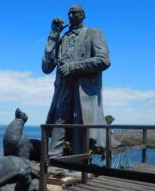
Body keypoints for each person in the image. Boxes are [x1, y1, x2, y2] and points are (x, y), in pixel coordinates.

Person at [42, 4, 120, 157]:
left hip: (84, 91)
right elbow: (46, 67)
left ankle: (78, 166)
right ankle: (52, 163)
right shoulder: (62, 38)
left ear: (83, 15)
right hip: (63, 88)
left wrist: (73, 67)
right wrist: (53, 34)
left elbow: (104, 60)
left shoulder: (93, 33)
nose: (70, 16)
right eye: (69, 13)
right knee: (59, 122)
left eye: (74, 13)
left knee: (81, 125)